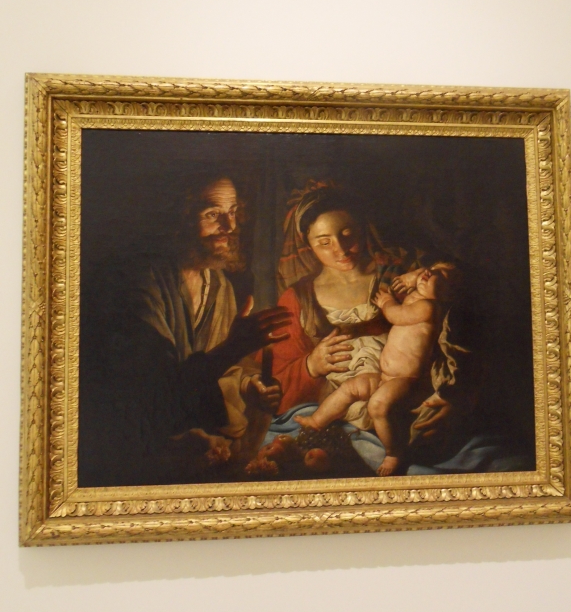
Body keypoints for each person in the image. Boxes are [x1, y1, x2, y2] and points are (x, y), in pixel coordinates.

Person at [78, 175, 291, 486]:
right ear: (180, 217)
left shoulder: (218, 285)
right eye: (212, 214)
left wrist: (248, 385)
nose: (229, 226)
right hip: (140, 447)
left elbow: (218, 369)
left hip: (201, 440)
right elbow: (154, 390)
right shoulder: (143, 280)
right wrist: (234, 347)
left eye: (232, 211)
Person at [272, 182, 477, 472]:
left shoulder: (401, 274)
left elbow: (460, 331)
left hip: (407, 398)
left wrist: (456, 394)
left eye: (347, 234)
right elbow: (276, 381)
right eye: (324, 242)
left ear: (362, 228)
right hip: (341, 411)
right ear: (308, 244)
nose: (340, 249)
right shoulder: (298, 299)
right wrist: (311, 365)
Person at [295, 262, 460, 475]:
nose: (430, 271)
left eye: (441, 274)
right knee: (351, 387)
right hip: (387, 376)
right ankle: (317, 421)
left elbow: (395, 316)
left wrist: (387, 302)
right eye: (432, 267)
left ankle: (393, 453)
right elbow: (416, 277)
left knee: (377, 406)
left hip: (406, 380)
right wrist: (414, 276)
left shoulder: (428, 307)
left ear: (448, 294)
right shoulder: (419, 296)